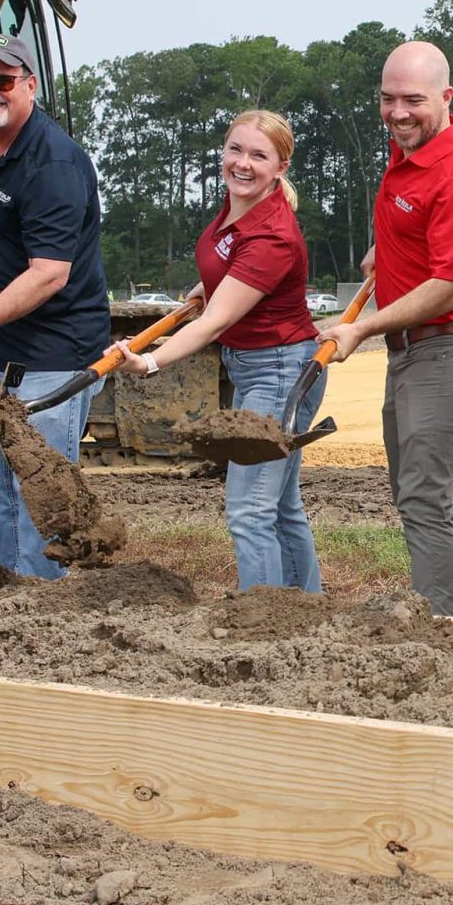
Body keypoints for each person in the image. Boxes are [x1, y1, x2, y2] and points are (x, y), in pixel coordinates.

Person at [110, 110, 324, 592]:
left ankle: (264, 617)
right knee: (279, 507)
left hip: (280, 371)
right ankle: (304, 611)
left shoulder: (271, 233)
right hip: (257, 368)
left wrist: (149, 360)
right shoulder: (237, 209)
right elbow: (227, 280)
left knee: (249, 511)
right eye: (235, 150)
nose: (242, 163)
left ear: (281, 167)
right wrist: (209, 287)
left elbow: (216, 323)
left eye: (258, 155)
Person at [0, 33, 112, 581]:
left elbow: (50, 273)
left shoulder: (52, 162)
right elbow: (3, 230)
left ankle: (41, 601)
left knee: (40, 491)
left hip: (52, 355)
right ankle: (4, 588)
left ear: (29, 85)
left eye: (3, 81)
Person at [334, 40, 453, 618]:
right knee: (418, 494)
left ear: (447, 98)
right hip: (413, 351)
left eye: (413, 100)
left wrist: (362, 329)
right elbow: (417, 223)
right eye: (387, 99)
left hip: (446, 349)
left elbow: (450, 286)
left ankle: (435, 623)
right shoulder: (408, 152)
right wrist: (391, 246)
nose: (398, 113)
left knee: (424, 496)